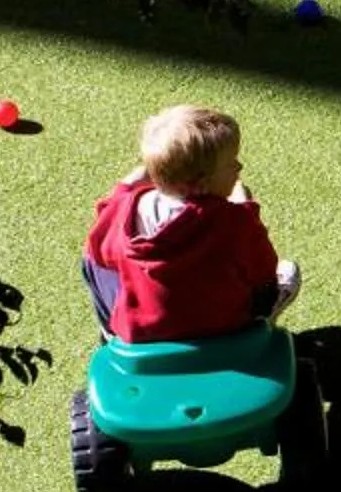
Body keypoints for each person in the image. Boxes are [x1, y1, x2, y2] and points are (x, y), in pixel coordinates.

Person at [81, 104, 299, 341]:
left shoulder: (125, 209)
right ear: (202, 184)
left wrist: (123, 190)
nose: (239, 167)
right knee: (281, 277)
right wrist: (247, 209)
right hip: (221, 332)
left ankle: (110, 333)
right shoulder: (232, 220)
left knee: (90, 261)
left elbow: (98, 251)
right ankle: (262, 322)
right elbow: (264, 270)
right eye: (231, 163)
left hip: (143, 334)